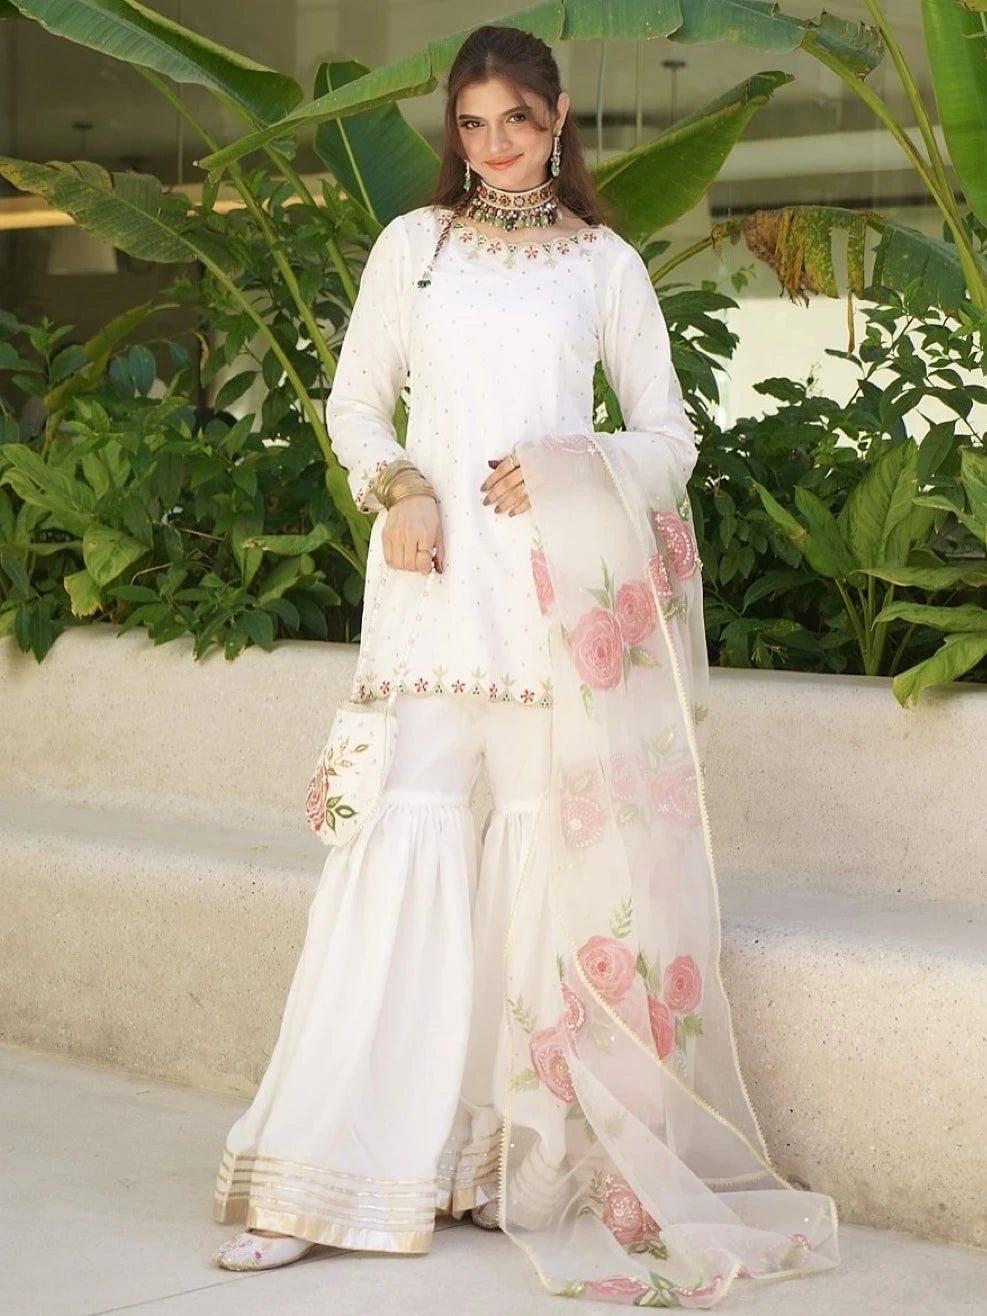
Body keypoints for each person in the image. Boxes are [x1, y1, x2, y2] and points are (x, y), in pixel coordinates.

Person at [211, 24, 839, 1306]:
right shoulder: (416, 249)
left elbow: (666, 435)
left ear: (559, 120)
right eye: (473, 122)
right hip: (431, 595)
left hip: (551, 606)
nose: (493, 143)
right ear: (454, 129)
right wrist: (396, 482)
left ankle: (510, 1164)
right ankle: (327, 1169)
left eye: (517, 119)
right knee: (399, 848)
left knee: (544, 877)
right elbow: (354, 402)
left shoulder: (603, 267)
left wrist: (569, 464)